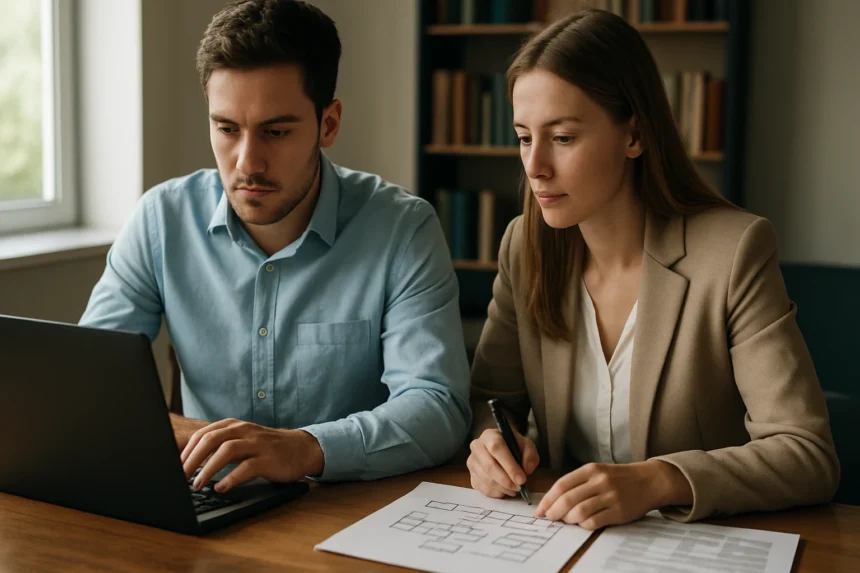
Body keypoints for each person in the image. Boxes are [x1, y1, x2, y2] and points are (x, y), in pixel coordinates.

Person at [467, 9, 839, 529]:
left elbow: (807, 455)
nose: (535, 167)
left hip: (696, 548)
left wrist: (659, 479)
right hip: (555, 540)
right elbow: (492, 403)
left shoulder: (734, 252)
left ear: (634, 135)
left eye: (564, 137)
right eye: (525, 137)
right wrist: (490, 446)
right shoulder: (523, 249)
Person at [80, 0, 470, 492]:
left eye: (276, 132)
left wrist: (306, 448)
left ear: (329, 124)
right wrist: (198, 438)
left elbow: (438, 406)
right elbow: (92, 390)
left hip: (346, 508)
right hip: (210, 496)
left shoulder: (402, 229)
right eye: (226, 128)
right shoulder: (161, 219)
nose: (248, 162)